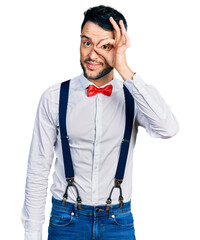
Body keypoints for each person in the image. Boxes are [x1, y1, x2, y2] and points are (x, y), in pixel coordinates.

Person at [20, 5, 179, 240]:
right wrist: (31, 233)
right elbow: (37, 168)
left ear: (118, 47)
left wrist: (123, 67)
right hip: (66, 219)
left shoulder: (133, 96)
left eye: (104, 46)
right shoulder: (54, 97)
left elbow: (168, 128)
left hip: (118, 221)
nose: (92, 55)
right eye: (86, 43)